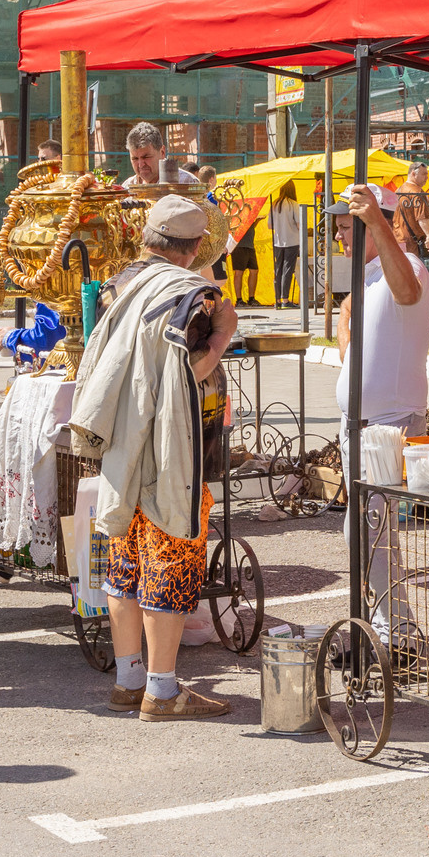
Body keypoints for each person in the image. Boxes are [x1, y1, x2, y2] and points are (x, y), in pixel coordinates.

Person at [70, 194, 236, 721]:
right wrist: (225, 335)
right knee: (171, 555)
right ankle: (162, 691)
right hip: (169, 443)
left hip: (123, 440)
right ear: (191, 250)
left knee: (125, 561)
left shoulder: (124, 284)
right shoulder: (191, 292)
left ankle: (129, 679)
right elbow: (189, 367)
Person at [335, 183, 429, 469]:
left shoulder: (410, 264)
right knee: (359, 514)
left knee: (381, 515)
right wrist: (349, 356)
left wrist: (377, 222)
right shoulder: (369, 275)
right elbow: (347, 309)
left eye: (345, 227)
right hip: (356, 425)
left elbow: (407, 293)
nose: (337, 235)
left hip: (392, 424)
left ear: (373, 225)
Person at [122, 121, 193, 189]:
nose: (141, 165)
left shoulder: (186, 183)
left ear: (162, 152)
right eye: (135, 159)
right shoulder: (126, 188)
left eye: (146, 157)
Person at [271, 181, 306, 310]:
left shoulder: (274, 204)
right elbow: (299, 224)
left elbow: (270, 225)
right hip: (292, 241)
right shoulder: (293, 204)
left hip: (277, 241)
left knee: (278, 270)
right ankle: (285, 300)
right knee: (288, 270)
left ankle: (278, 300)